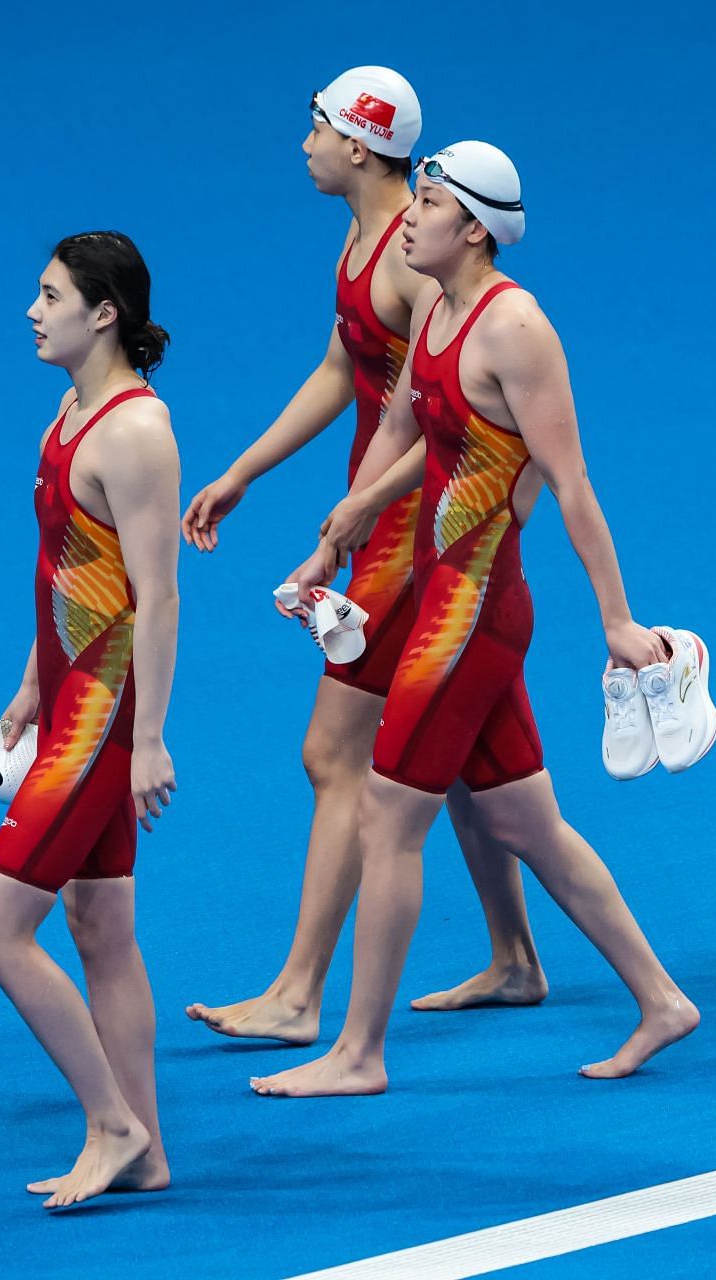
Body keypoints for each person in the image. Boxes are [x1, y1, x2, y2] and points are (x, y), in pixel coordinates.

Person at [252, 142, 698, 1097]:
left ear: (476, 229)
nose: (408, 217)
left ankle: (359, 1053)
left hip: (474, 617)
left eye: (428, 204)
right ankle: (662, 1000)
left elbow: (570, 486)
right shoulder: (438, 310)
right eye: (412, 200)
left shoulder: (517, 329)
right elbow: (415, 437)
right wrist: (345, 528)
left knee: (388, 811)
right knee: (528, 824)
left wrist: (616, 623)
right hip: (438, 600)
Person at [181, 68, 547, 1043]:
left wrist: (344, 524)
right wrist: (246, 469)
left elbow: (455, 416)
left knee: (335, 752)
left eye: (316, 127)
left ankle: (301, 993)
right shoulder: (364, 245)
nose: (301, 142)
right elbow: (345, 367)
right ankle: (515, 957)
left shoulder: (407, 259)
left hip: (408, 532)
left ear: (358, 146)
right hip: (375, 518)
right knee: (466, 750)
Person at [0, 231, 180, 1209]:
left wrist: (145, 740)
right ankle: (148, 1146)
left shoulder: (135, 433)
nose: (30, 308)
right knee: (100, 925)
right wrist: (29, 685)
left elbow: (157, 594)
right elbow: (68, 575)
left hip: (103, 726)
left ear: (104, 313)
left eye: (48, 293)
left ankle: (110, 1119)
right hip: (71, 706)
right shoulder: (71, 410)